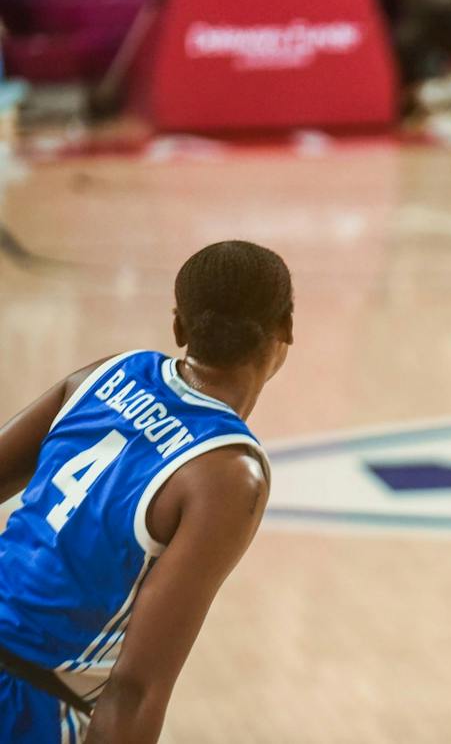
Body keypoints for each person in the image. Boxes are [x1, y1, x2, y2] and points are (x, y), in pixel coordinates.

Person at [0, 241, 290, 743]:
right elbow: (135, 687)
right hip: (30, 702)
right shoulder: (227, 473)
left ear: (179, 328)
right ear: (287, 328)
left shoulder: (109, 371)